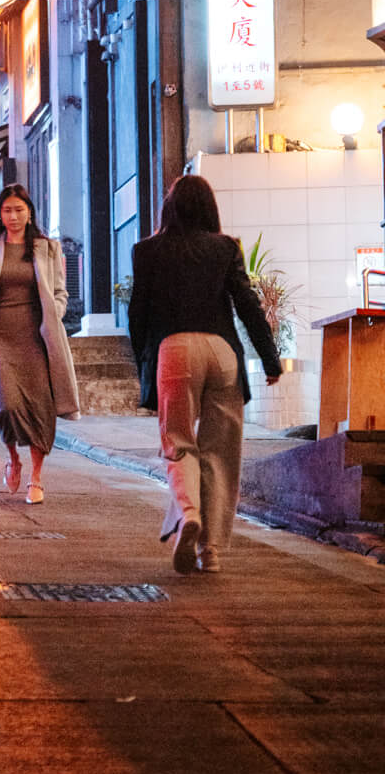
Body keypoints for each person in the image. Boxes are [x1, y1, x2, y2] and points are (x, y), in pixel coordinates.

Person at [127, 173, 282, 575]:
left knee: (179, 442)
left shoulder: (147, 251)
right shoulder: (225, 248)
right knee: (220, 453)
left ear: (169, 208)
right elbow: (248, 305)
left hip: (175, 350)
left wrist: (144, 364)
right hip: (222, 352)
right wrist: (270, 359)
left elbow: (137, 314)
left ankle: (189, 513)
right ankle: (209, 550)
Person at [0, 184, 80, 505]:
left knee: (40, 406)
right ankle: (13, 458)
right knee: (6, 405)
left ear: (29, 213)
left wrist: (55, 313)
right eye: (7, 210)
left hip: (37, 336)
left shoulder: (47, 248)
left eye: (19, 210)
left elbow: (60, 292)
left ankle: (36, 477)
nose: (13, 216)